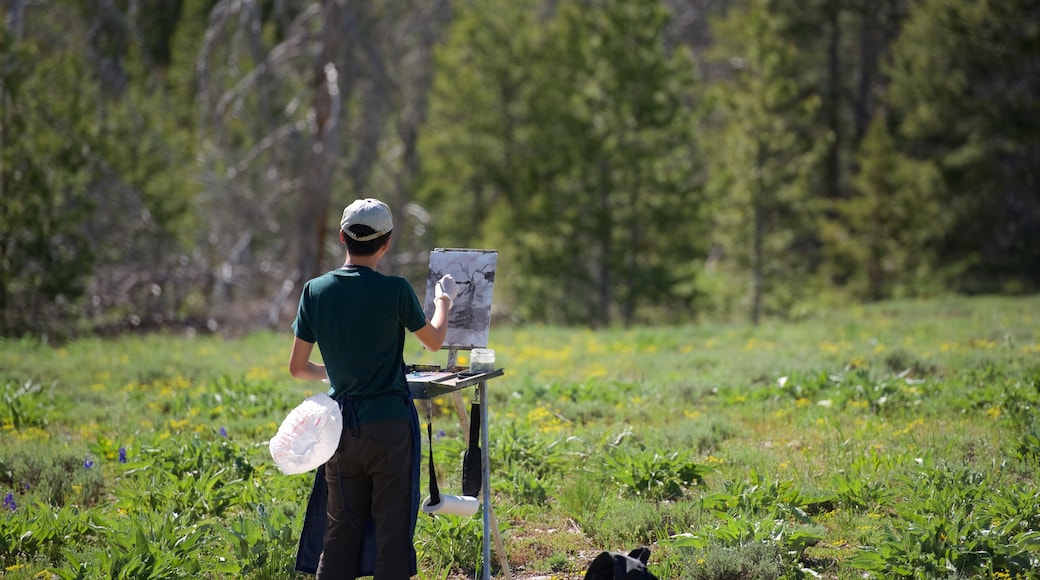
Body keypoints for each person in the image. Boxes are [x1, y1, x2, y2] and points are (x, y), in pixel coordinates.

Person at [288, 197, 458, 579]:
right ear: (387, 242)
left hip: (339, 428)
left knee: (340, 531)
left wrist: (334, 373)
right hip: (390, 426)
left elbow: (298, 368)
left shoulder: (315, 290)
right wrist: (444, 301)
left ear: (341, 238)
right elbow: (433, 340)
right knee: (392, 534)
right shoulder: (395, 290)